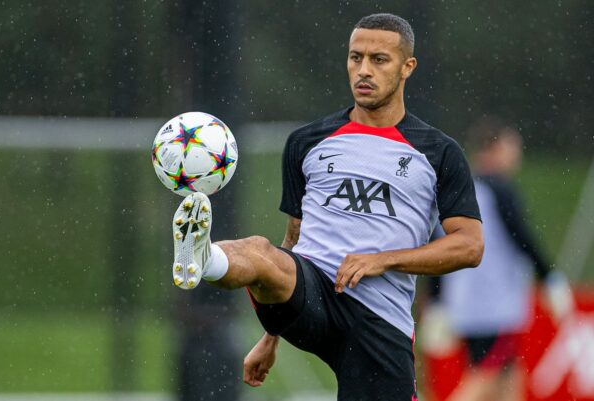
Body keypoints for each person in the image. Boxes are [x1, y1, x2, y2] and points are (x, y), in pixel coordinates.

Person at [171, 13, 483, 401]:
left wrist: (382, 260)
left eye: (378, 59)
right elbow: (294, 238)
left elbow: (469, 246)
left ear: (408, 66)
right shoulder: (306, 142)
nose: (363, 70)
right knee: (260, 251)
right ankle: (203, 256)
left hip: (379, 320)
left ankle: (209, 257)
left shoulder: (439, 152)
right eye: (355, 58)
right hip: (314, 292)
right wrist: (272, 336)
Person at [421, 117, 574, 401]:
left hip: (467, 303)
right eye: (512, 146)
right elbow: (523, 236)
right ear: (495, 148)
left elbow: (438, 247)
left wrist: (438, 301)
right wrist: (549, 276)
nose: (517, 153)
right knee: (483, 378)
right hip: (493, 306)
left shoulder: (457, 188)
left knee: (508, 375)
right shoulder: (498, 188)